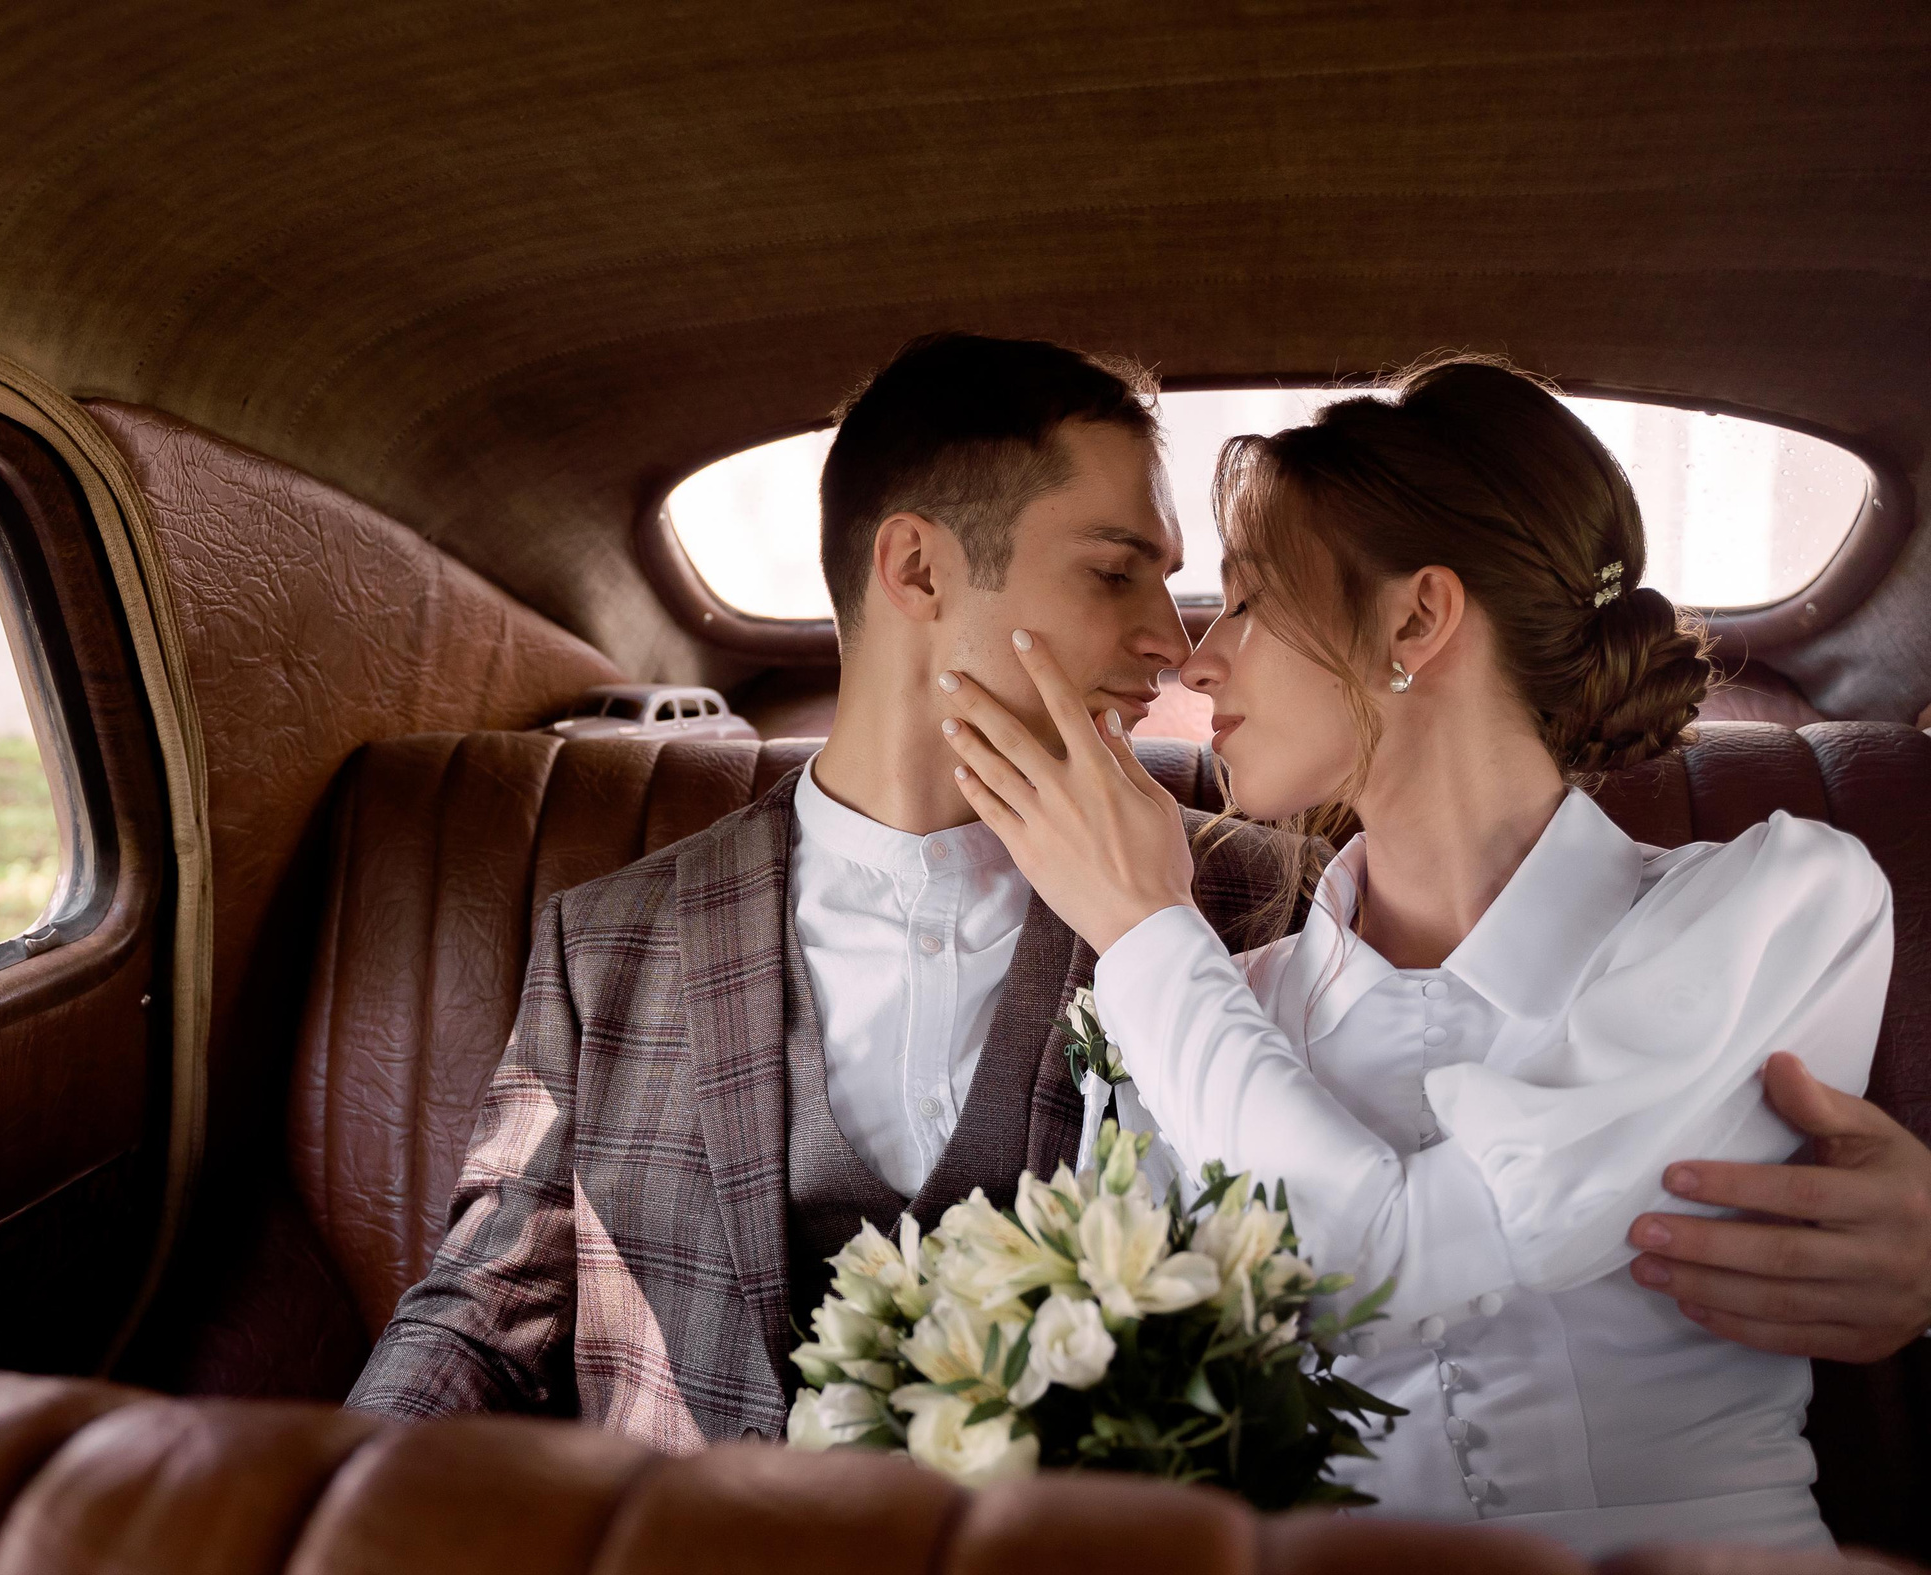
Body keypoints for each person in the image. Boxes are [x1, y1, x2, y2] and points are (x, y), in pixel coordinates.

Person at [349, 334, 1931, 1459]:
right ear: (914, 572)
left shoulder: (1243, 909)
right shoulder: (608, 940)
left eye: (1220, 592)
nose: (1181, 647)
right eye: (1121, 573)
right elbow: (482, 1317)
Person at [935, 356, 1897, 1552]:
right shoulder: (1204, 1003)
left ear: (1416, 618)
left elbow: (1382, 1260)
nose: (1196, 661)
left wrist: (1144, 932)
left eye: (1245, 601)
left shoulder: (1773, 910)